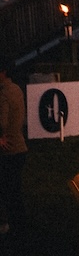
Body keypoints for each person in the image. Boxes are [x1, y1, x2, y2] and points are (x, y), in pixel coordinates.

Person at [0, 63, 26, 236]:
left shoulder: (3, 95)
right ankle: (20, 224)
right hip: (21, 145)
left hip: (8, 148)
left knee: (6, 190)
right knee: (15, 188)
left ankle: (8, 225)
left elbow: (2, 122)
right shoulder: (17, 89)